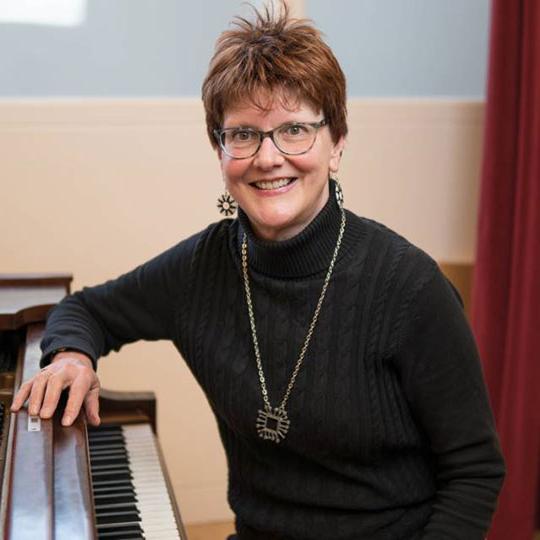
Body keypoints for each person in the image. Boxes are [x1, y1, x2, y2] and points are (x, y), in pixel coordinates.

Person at [11, 3, 505, 539]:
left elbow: (474, 473)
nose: (269, 157)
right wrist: (71, 355)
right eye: (243, 134)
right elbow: (85, 309)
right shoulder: (203, 268)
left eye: (295, 130)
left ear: (337, 143)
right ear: (219, 150)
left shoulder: (410, 287)